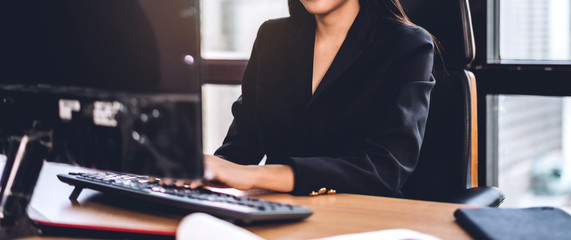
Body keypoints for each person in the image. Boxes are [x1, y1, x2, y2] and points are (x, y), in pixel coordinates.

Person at [200, 0, 435, 197]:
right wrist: (202, 172)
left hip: (362, 220)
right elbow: (241, 147)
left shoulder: (406, 45)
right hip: (277, 212)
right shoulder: (272, 38)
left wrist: (256, 175)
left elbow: (385, 169)